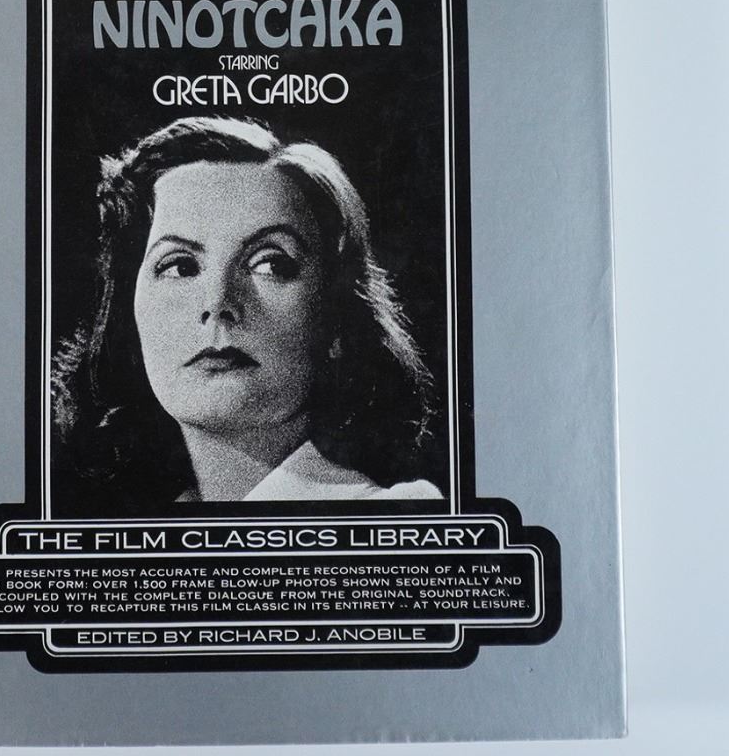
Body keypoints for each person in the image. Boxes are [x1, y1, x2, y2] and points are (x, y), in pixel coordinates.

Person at [52, 116, 441, 513]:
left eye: (271, 264)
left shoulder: (391, 515)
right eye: (180, 266)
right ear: (129, 314)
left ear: (337, 319)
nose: (218, 302)